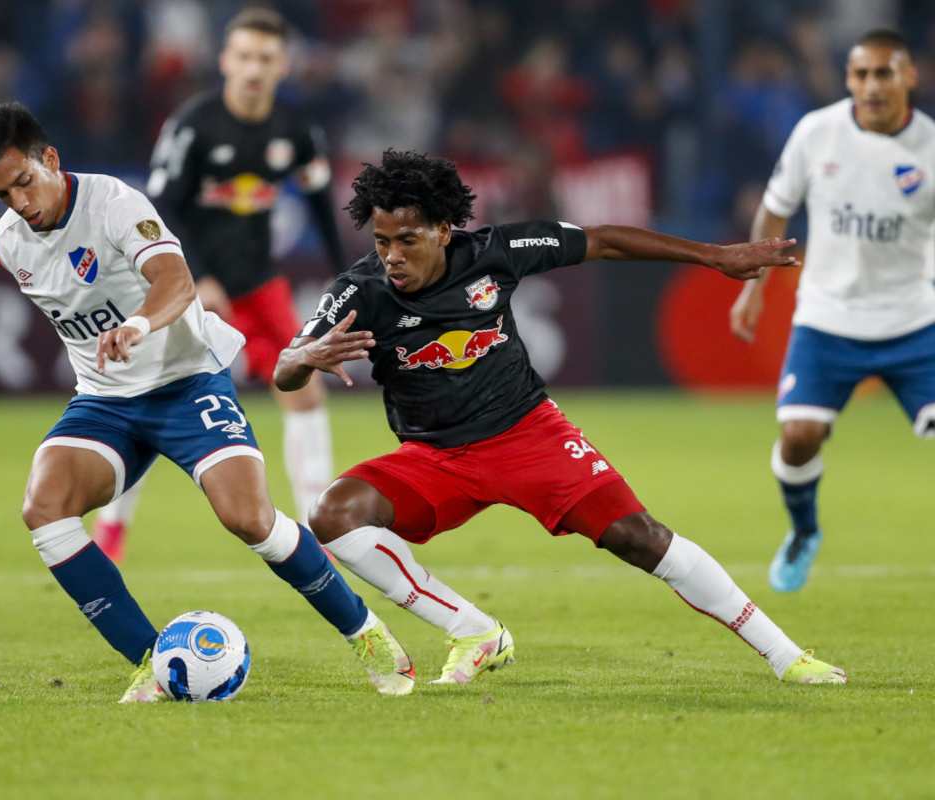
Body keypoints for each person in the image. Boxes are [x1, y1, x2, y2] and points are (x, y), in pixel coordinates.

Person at [275, 148, 847, 686]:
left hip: (529, 435)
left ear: (444, 230)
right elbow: (285, 369)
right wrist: (305, 359)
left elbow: (603, 242)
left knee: (639, 537)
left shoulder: (495, 252)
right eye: (382, 242)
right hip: (434, 458)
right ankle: (472, 630)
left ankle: (787, 656)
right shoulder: (359, 292)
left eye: (408, 239)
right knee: (333, 514)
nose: (393, 256)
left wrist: (714, 256)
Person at [0, 102, 416, 702]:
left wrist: (137, 326)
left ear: (50, 158)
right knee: (43, 507)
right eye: (1, 194)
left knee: (248, 518)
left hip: (187, 381)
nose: (19, 202)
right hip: (107, 400)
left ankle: (366, 633)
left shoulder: (113, 204)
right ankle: (150, 664)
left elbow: (176, 282)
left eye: (24, 182)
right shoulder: (8, 241)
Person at [91, 7, 345, 560]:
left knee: (304, 388)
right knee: (151, 398)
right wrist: (198, 277)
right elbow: (159, 208)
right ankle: (112, 528)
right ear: (226, 60)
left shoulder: (296, 131)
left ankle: (317, 523)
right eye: (245, 56)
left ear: (283, 65)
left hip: (257, 281)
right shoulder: (193, 126)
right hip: (184, 286)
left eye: (266, 59)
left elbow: (321, 201)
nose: (254, 68)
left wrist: (343, 272)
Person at [729, 29, 935, 592]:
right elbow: (775, 211)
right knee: (799, 435)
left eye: (884, 73)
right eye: (861, 74)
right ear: (848, 79)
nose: (871, 86)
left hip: (914, 320)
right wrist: (754, 287)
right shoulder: (816, 133)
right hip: (828, 318)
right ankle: (804, 531)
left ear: (909, 77)